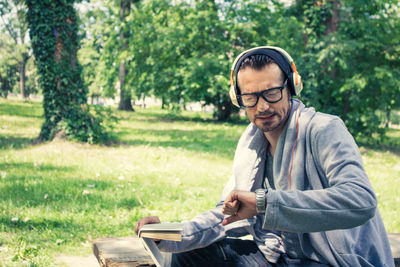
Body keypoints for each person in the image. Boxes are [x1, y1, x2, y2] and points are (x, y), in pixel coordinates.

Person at [135, 46, 394, 266]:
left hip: (328, 261)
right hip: (276, 256)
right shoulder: (251, 143)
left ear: (292, 86)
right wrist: (169, 233)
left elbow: (361, 200)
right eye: (250, 97)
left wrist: (265, 203)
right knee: (190, 256)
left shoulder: (324, 130)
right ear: (238, 99)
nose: (263, 106)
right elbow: (225, 214)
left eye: (271, 93)